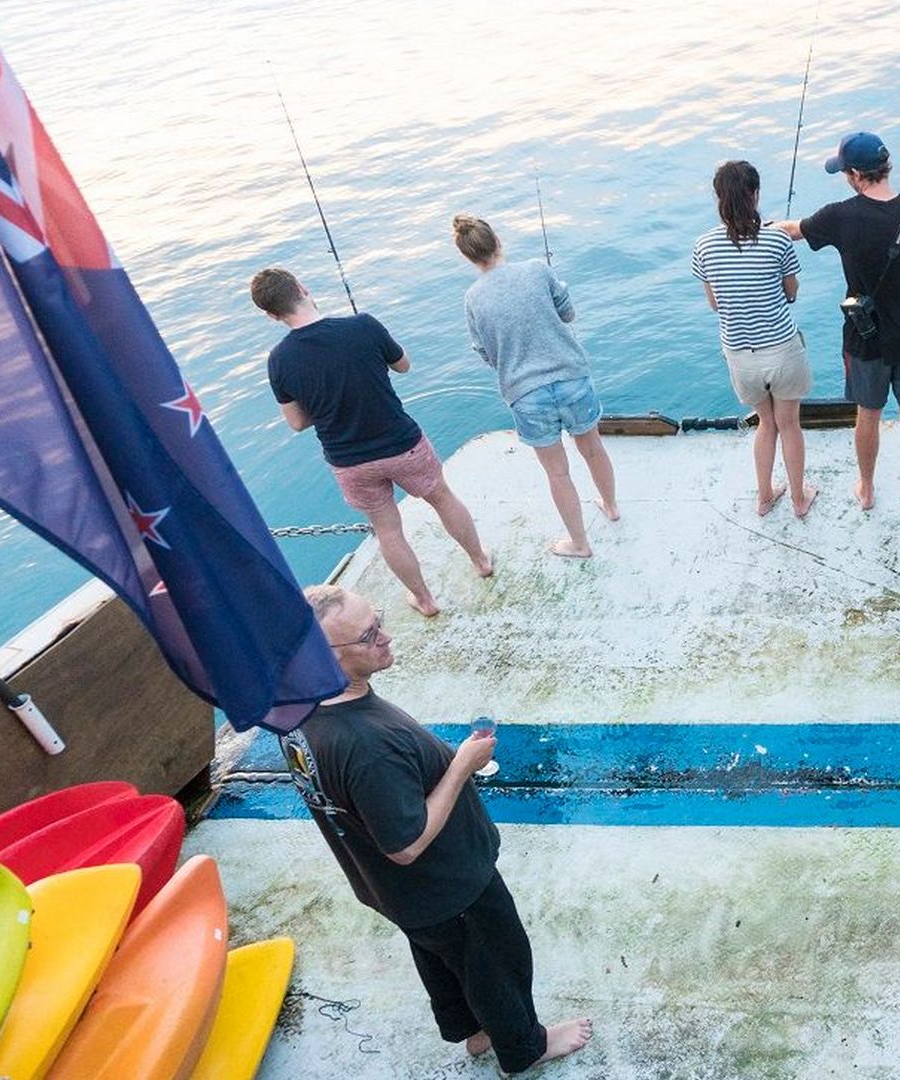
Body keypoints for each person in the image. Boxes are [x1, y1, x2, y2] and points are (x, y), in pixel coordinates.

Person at [281, 585, 592, 1074]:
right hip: (448, 886)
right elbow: (406, 845)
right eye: (368, 635)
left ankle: (473, 1031)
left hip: (397, 893)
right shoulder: (366, 746)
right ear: (325, 658)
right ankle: (524, 1047)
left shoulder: (297, 710)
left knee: (443, 957)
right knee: (497, 962)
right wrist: (462, 764)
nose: (385, 635)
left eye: (377, 618)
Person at [253, 268, 489, 616]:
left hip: (349, 462)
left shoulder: (279, 360)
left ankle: (424, 600)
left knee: (387, 529)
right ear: (303, 288)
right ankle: (481, 562)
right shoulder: (363, 325)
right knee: (442, 497)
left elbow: (298, 422)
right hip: (401, 443)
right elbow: (404, 366)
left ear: (272, 315)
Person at [778, 131, 900, 524]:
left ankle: (867, 490)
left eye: (844, 172)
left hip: (864, 338)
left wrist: (757, 227)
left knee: (867, 416)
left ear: (856, 174)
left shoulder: (840, 215)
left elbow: (792, 230)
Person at [455, 215, 620, 557]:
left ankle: (579, 543)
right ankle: (611, 506)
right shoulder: (536, 269)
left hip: (525, 393)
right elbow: (568, 313)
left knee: (557, 473)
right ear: (497, 240)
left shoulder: (472, 298)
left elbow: (485, 352)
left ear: (468, 257)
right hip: (571, 377)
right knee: (592, 449)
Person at [691, 161, 816, 517]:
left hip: (740, 356)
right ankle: (798, 499)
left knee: (766, 424)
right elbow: (792, 292)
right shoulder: (778, 239)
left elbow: (715, 304)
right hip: (782, 350)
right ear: (755, 194)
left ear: (718, 198)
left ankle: (764, 497)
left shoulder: (704, 246)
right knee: (789, 424)